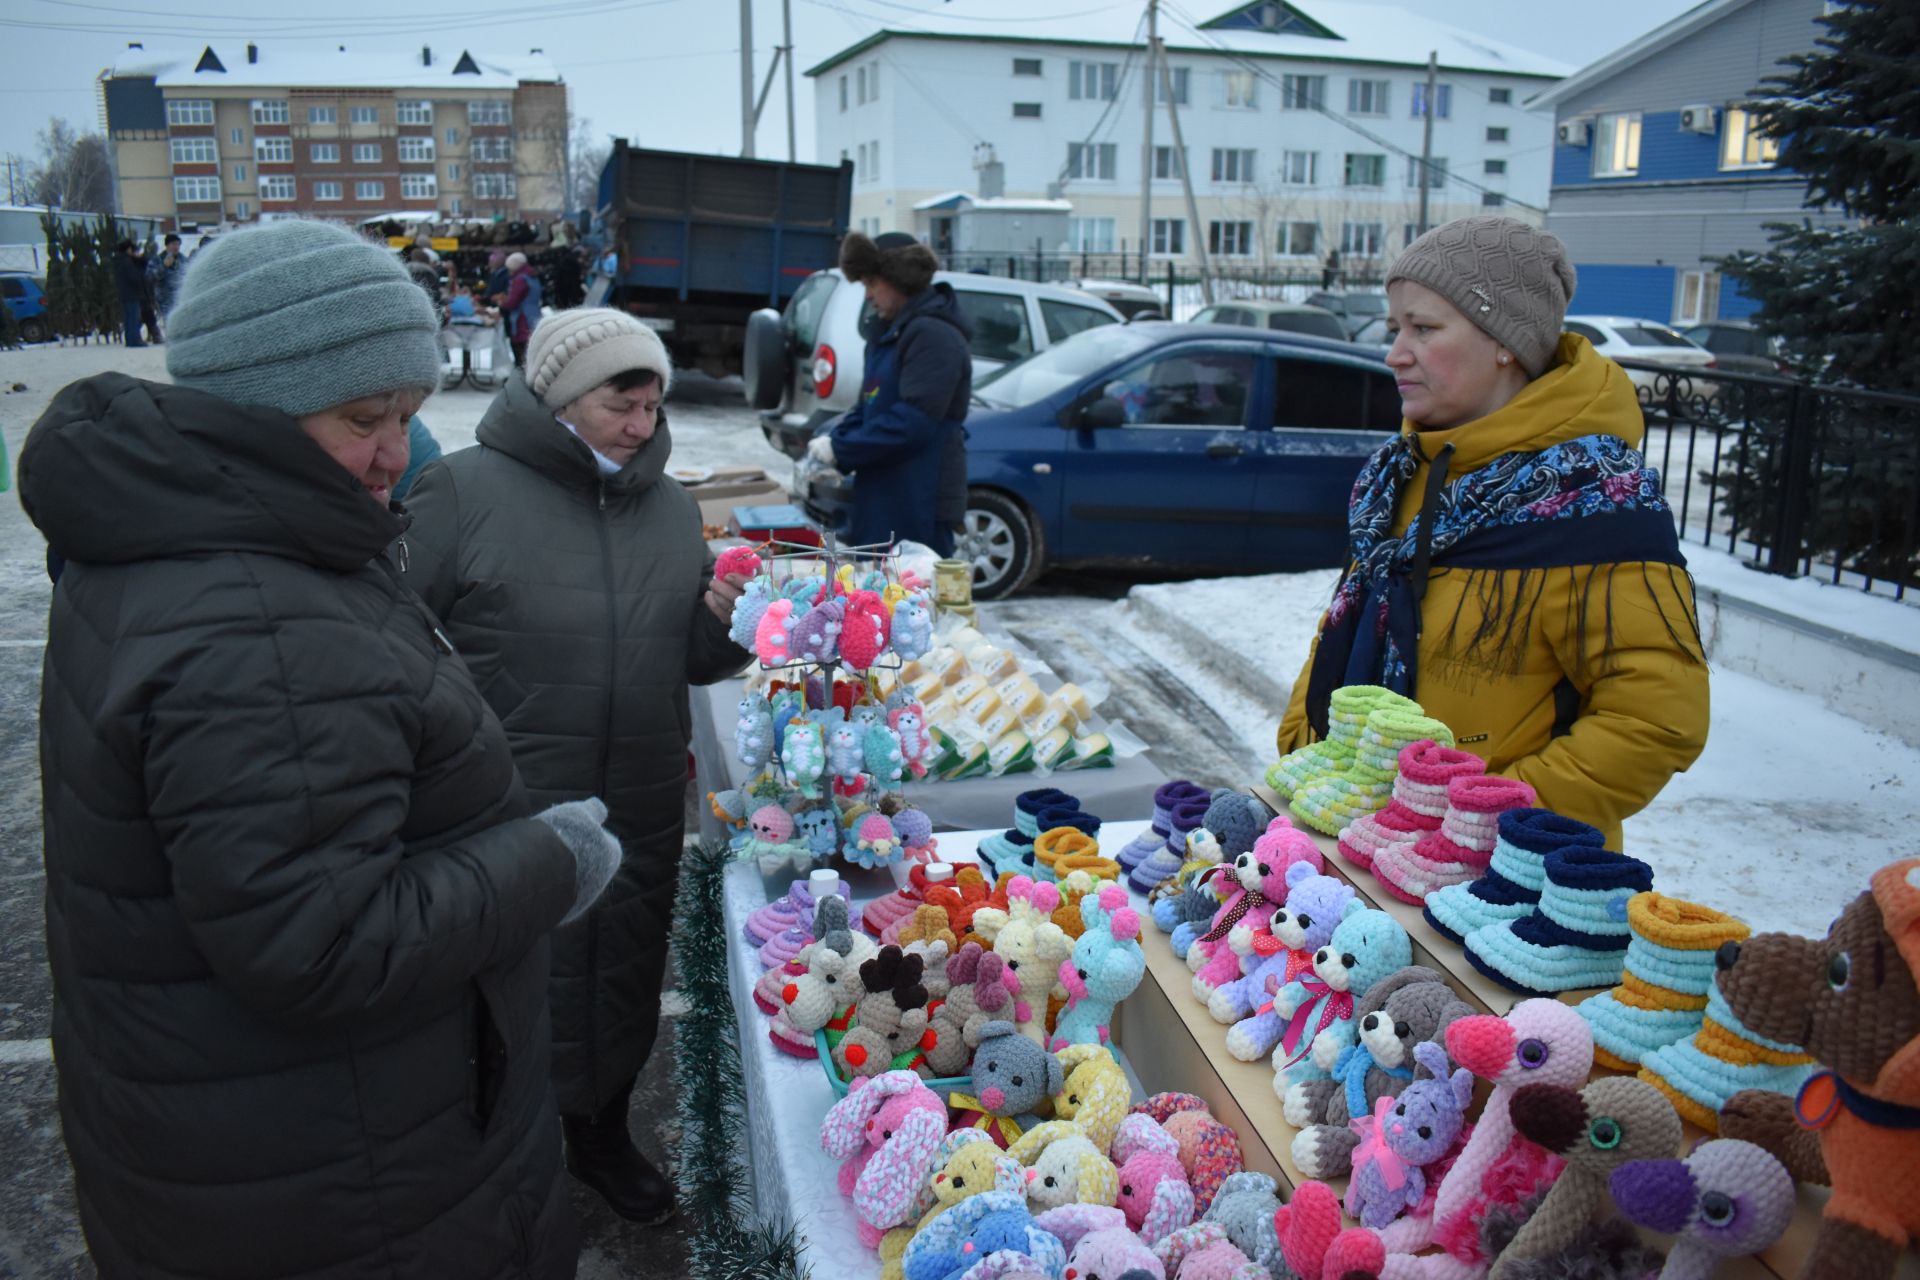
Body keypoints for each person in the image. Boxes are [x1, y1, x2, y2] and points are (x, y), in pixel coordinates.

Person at [15, 219, 621, 1275]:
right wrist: (550, 856)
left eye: (409, 413)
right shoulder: (251, 617)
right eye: (362, 418)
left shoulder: (204, 536)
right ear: (250, 408)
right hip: (345, 1181)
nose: (399, 453)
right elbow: (322, 940)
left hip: (272, 1140)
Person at [400, 307, 751, 1225]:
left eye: (652, 404)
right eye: (620, 403)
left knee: (621, 971)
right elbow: (388, 643)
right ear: (559, 399)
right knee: (498, 984)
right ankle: (485, 1160)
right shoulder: (459, 491)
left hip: (635, 797)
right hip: (501, 800)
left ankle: (599, 1135)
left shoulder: (672, 509)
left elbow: (690, 658)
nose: (643, 425)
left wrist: (721, 619)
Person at [1275, 216, 1708, 848]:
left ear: (1505, 341)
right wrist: (1301, 754)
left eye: (1423, 329)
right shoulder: (1398, 476)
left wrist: (1482, 823)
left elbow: (1655, 718)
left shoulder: (1593, 500)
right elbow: (1340, 633)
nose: (1395, 352)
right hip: (1343, 848)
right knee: (1221, 926)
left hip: (1496, 900)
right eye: (1397, 328)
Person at [805, 231, 971, 554]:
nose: (867, 295)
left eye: (871, 284)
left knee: (910, 594)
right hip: (885, 492)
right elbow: (869, 406)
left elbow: (914, 422)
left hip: (918, 497)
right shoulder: (891, 334)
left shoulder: (932, 335)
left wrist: (842, 448)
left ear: (899, 279)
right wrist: (830, 445)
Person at [497, 250, 542, 368]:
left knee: (521, 354)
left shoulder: (520, 280)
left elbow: (512, 302)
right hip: (534, 316)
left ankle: (522, 380)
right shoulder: (532, 276)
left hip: (521, 319)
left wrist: (502, 303)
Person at [112, 239, 147, 348]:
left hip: (123, 293)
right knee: (133, 318)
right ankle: (135, 340)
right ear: (128, 249)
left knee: (128, 319)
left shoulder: (118, 260)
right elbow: (134, 277)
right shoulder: (127, 261)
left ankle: (129, 339)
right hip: (132, 293)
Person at [146, 232, 186, 317]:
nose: (176, 247)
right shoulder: (157, 260)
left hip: (181, 300)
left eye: (178, 244)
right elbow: (149, 277)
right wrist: (164, 266)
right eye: (174, 244)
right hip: (164, 302)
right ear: (167, 245)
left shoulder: (183, 259)